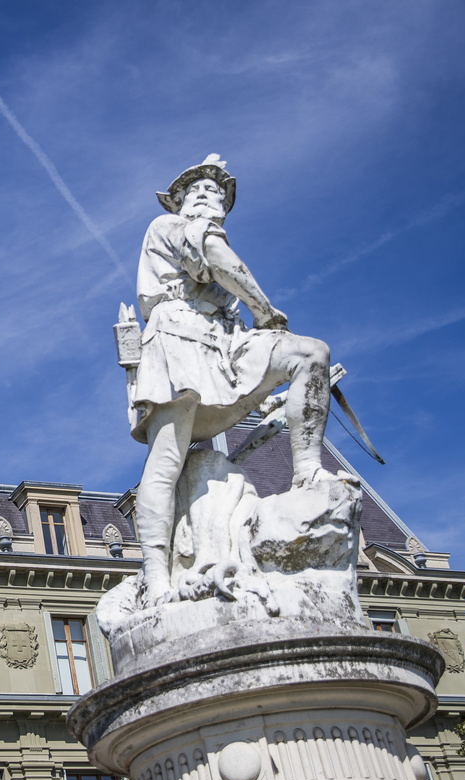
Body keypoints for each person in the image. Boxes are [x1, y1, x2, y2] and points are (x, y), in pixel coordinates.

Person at [131, 155, 333, 604]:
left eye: (217, 194)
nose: (208, 197)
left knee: (310, 353)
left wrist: (274, 397)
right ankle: (157, 576)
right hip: (176, 334)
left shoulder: (215, 263)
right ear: (180, 202)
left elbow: (236, 326)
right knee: (167, 460)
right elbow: (219, 261)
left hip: (222, 345)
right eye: (197, 191)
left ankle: (307, 472)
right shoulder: (166, 227)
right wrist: (265, 309)